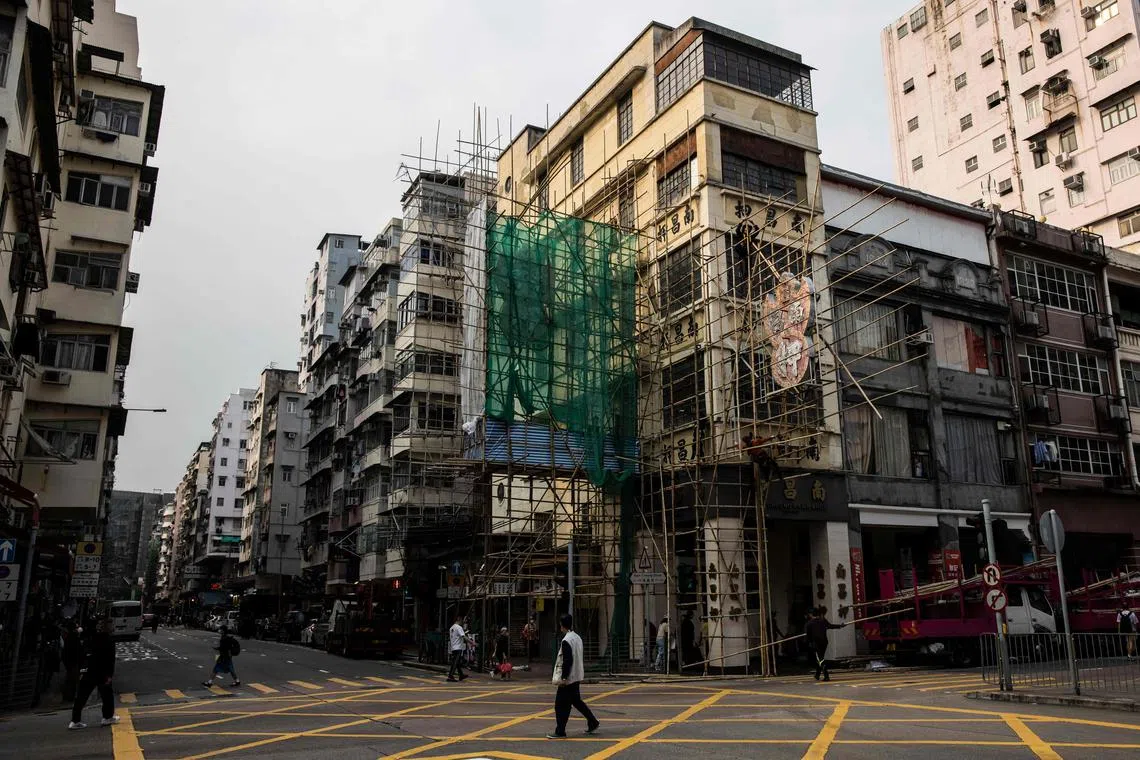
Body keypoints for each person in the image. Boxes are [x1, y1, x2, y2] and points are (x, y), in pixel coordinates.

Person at [547, 614, 599, 739]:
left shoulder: (566, 640)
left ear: (561, 625)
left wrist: (564, 677)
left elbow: (567, 660)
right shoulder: (577, 637)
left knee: (560, 705)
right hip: (577, 675)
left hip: (569, 678)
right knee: (576, 701)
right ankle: (593, 721)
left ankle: (560, 731)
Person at [68, 618, 118, 730]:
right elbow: (110, 660)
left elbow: (83, 654)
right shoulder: (108, 640)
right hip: (102, 672)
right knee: (107, 695)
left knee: (81, 696)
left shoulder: (91, 638)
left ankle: (75, 720)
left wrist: (82, 669)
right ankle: (107, 717)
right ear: (108, 627)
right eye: (111, 625)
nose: (113, 627)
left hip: (88, 671)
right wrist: (109, 675)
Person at [805, 607, 845, 682]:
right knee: (821, 658)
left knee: (820, 659)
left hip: (816, 643)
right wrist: (840, 626)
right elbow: (830, 626)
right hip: (824, 642)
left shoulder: (809, 623)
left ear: (810, 614)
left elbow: (808, 636)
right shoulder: (823, 621)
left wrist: (809, 643)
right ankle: (817, 675)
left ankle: (826, 676)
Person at [61, 621, 83, 703]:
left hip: (70, 662)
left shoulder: (69, 637)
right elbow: (78, 651)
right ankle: (70, 697)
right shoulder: (74, 637)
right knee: (72, 680)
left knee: (70, 679)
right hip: (73, 662)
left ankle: (68, 696)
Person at [446, 614, 470, 682]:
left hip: (453, 647)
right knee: (455, 662)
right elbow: (463, 636)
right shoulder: (459, 627)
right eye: (462, 620)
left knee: (457, 662)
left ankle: (461, 675)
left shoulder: (451, 628)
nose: (462, 622)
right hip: (458, 647)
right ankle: (450, 676)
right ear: (459, 619)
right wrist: (472, 642)